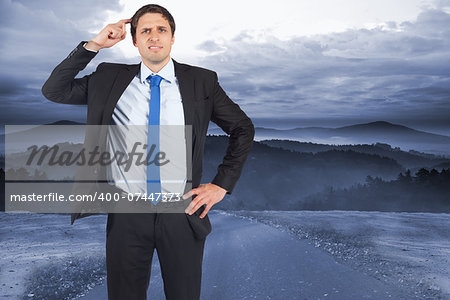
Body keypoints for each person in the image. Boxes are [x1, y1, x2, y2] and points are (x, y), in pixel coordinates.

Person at [41, 4, 254, 300]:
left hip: (181, 211)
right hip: (127, 212)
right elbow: (54, 90)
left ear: (172, 37)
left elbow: (243, 128)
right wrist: (94, 45)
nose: (154, 36)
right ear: (135, 40)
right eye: (145, 31)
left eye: (161, 29)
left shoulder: (201, 82)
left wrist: (221, 185)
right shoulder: (108, 78)